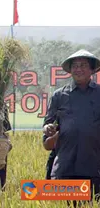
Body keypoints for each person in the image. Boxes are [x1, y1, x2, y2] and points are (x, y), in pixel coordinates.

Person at [43, 49, 100, 206]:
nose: (78, 69)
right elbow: (47, 141)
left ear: (92, 69)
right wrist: (49, 131)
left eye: (83, 65)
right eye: (75, 65)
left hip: (93, 170)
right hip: (65, 170)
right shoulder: (59, 96)